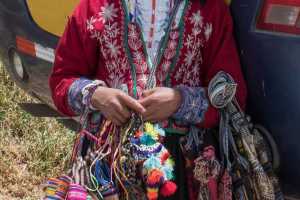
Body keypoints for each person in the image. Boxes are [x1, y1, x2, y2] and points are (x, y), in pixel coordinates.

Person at [49, 0, 247, 199]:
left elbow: (231, 96)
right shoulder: (95, 6)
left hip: (181, 168)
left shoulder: (209, 9)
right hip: (107, 166)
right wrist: (96, 95)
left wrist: (180, 100)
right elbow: (62, 80)